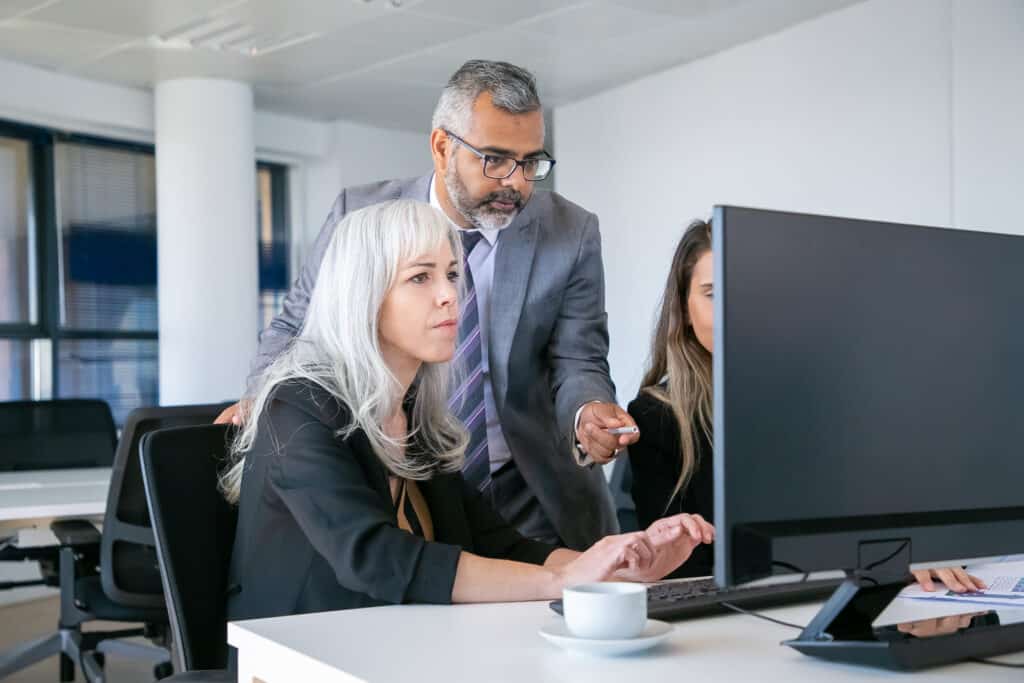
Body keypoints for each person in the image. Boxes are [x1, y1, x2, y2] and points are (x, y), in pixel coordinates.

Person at [222, 200, 714, 622]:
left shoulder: (415, 413)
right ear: (363, 295)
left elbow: (496, 544)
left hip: (398, 644)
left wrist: (618, 567)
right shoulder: (299, 407)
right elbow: (375, 557)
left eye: (452, 274)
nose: (449, 294)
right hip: (301, 657)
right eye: (420, 277)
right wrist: (566, 581)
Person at [217, 60, 636, 550]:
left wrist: (588, 411)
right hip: (409, 480)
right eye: (495, 159)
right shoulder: (364, 216)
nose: (517, 183)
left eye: (530, 163)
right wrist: (262, 399)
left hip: (532, 491)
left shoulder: (571, 231)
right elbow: (299, 323)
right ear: (442, 147)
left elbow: (577, 357)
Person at [627, 219, 986, 590]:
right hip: (731, 616)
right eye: (713, 294)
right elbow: (676, 572)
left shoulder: (823, 397)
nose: (735, 310)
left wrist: (920, 548)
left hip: (830, 595)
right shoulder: (655, 418)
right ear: (685, 310)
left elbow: (886, 513)